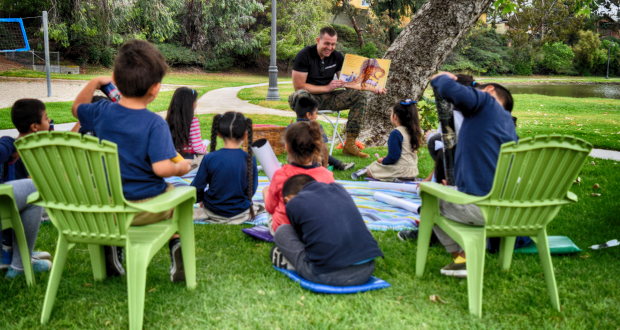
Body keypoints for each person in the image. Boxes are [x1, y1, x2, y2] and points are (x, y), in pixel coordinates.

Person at [71, 40, 192, 281]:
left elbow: (77, 108)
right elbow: (160, 168)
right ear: (155, 89)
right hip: (144, 208)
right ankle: (177, 246)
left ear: (114, 77)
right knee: (177, 202)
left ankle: (111, 247)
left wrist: (95, 83)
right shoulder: (155, 123)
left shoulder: (101, 112)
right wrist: (180, 167)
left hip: (105, 208)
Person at [420, 71, 518, 279]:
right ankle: (466, 255)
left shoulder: (487, 103)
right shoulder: (508, 124)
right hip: (510, 211)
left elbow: (445, 88)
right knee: (450, 193)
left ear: (489, 90)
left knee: (429, 198)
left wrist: (444, 77)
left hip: (481, 208)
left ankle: (464, 258)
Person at [288, 26, 387, 159]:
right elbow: (299, 86)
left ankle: (350, 144)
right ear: (318, 40)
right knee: (299, 96)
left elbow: (349, 84)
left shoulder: (337, 57)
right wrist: (327, 88)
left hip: (329, 98)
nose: (330, 47)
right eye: (327, 43)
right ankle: (305, 143)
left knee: (360, 95)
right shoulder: (304, 55)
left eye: (333, 44)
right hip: (309, 100)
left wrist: (374, 88)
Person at [271, 174, 384, 286]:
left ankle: (289, 263)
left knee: (282, 231)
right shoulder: (339, 189)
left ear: (287, 199)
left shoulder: (294, 203)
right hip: (366, 269)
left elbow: (302, 240)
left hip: (326, 275)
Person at [1, 98, 52, 278]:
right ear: (35, 127)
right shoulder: (10, 145)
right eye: (46, 118)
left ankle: (17, 254)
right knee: (34, 191)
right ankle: (20, 264)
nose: (50, 121)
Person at [190, 112, 264, 224]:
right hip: (241, 210)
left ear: (218, 134)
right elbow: (251, 190)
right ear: (245, 135)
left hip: (213, 210)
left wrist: (202, 200)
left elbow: (197, 187)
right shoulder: (250, 159)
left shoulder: (209, 157)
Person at [263, 121, 335, 236]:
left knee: (266, 190)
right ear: (316, 147)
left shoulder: (280, 174)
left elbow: (270, 207)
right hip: (314, 231)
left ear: (287, 146)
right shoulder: (327, 175)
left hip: (284, 231)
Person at [287, 96, 354, 171]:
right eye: (316, 113)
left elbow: (287, 148)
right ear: (308, 115)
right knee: (317, 152)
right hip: (312, 164)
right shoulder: (315, 127)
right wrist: (324, 169)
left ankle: (340, 164)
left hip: (294, 164)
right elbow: (324, 149)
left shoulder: (290, 127)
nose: (316, 117)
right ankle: (339, 164)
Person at [367, 99, 421, 181]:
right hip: (412, 171)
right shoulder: (413, 131)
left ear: (395, 116)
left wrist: (383, 161)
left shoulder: (396, 133)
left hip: (401, 171)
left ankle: (395, 178)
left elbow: (394, 157)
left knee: (370, 170)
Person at [166, 87, 207, 170]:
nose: (196, 104)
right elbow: (198, 147)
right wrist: (205, 149)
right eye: (195, 101)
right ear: (189, 104)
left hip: (173, 159)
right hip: (190, 160)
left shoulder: (168, 121)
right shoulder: (193, 121)